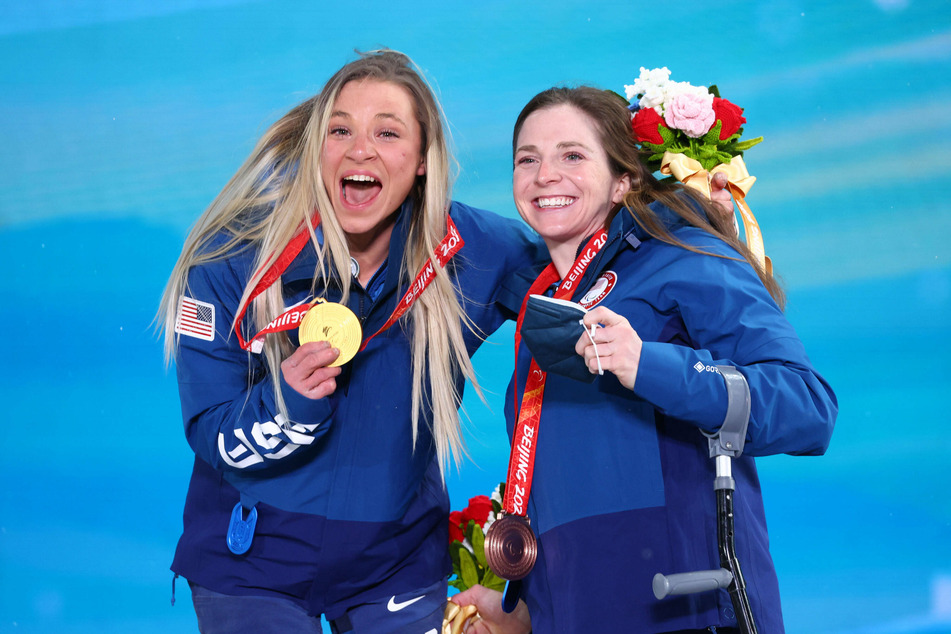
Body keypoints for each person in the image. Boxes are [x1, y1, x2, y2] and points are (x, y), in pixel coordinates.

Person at [157, 49, 550, 633]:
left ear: (422, 159)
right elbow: (212, 434)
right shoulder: (232, 260)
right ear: (318, 148)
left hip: (394, 563)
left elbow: (589, 284)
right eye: (340, 130)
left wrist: (695, 216)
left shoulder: (473, 250)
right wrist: (288, 402)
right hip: (250, 565)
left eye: (387, 133)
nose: (360, 149)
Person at [451, 87, 837, 633]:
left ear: (623, 180)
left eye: (572, 156)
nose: (545, 175)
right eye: (527, 159)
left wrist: (648, 365)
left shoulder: (682, 256)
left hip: (687, 609)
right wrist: (525, 613)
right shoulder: (548, 298)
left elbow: (808, 406)